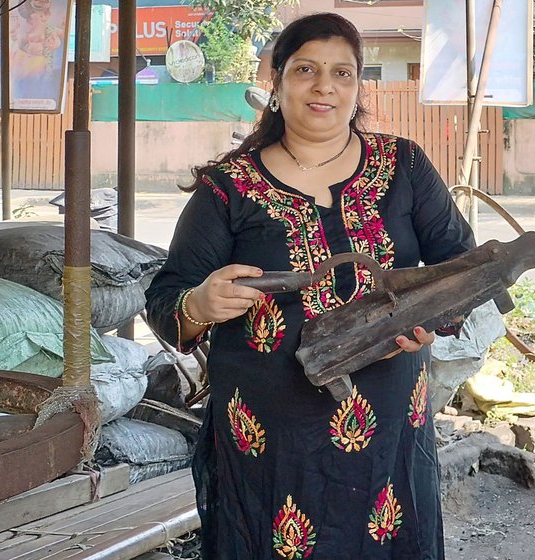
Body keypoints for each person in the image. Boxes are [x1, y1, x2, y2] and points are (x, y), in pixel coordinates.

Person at [145, 12, 474, 560]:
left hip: (388, 424)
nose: (325, 86)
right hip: (270, 438)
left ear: (358, 86)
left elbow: (459, 265)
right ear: (276, 83)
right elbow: (164, 299)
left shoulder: (404, 166)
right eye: (306, 70)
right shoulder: (228, 189)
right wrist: (199, 304)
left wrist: (433, 319)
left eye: (343, 73)